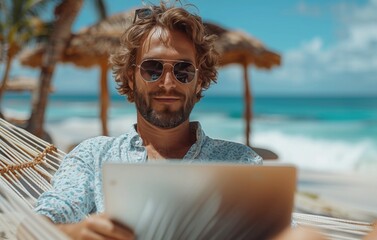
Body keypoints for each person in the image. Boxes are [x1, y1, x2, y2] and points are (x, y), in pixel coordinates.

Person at [34, 2, 261, 239]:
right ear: (130, 77)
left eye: (183, 70)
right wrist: (74, 232)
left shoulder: (240, 163)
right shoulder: (94, 156)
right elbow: (36, 223)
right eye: (152, 68)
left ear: (200, 82)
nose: (168, 83)